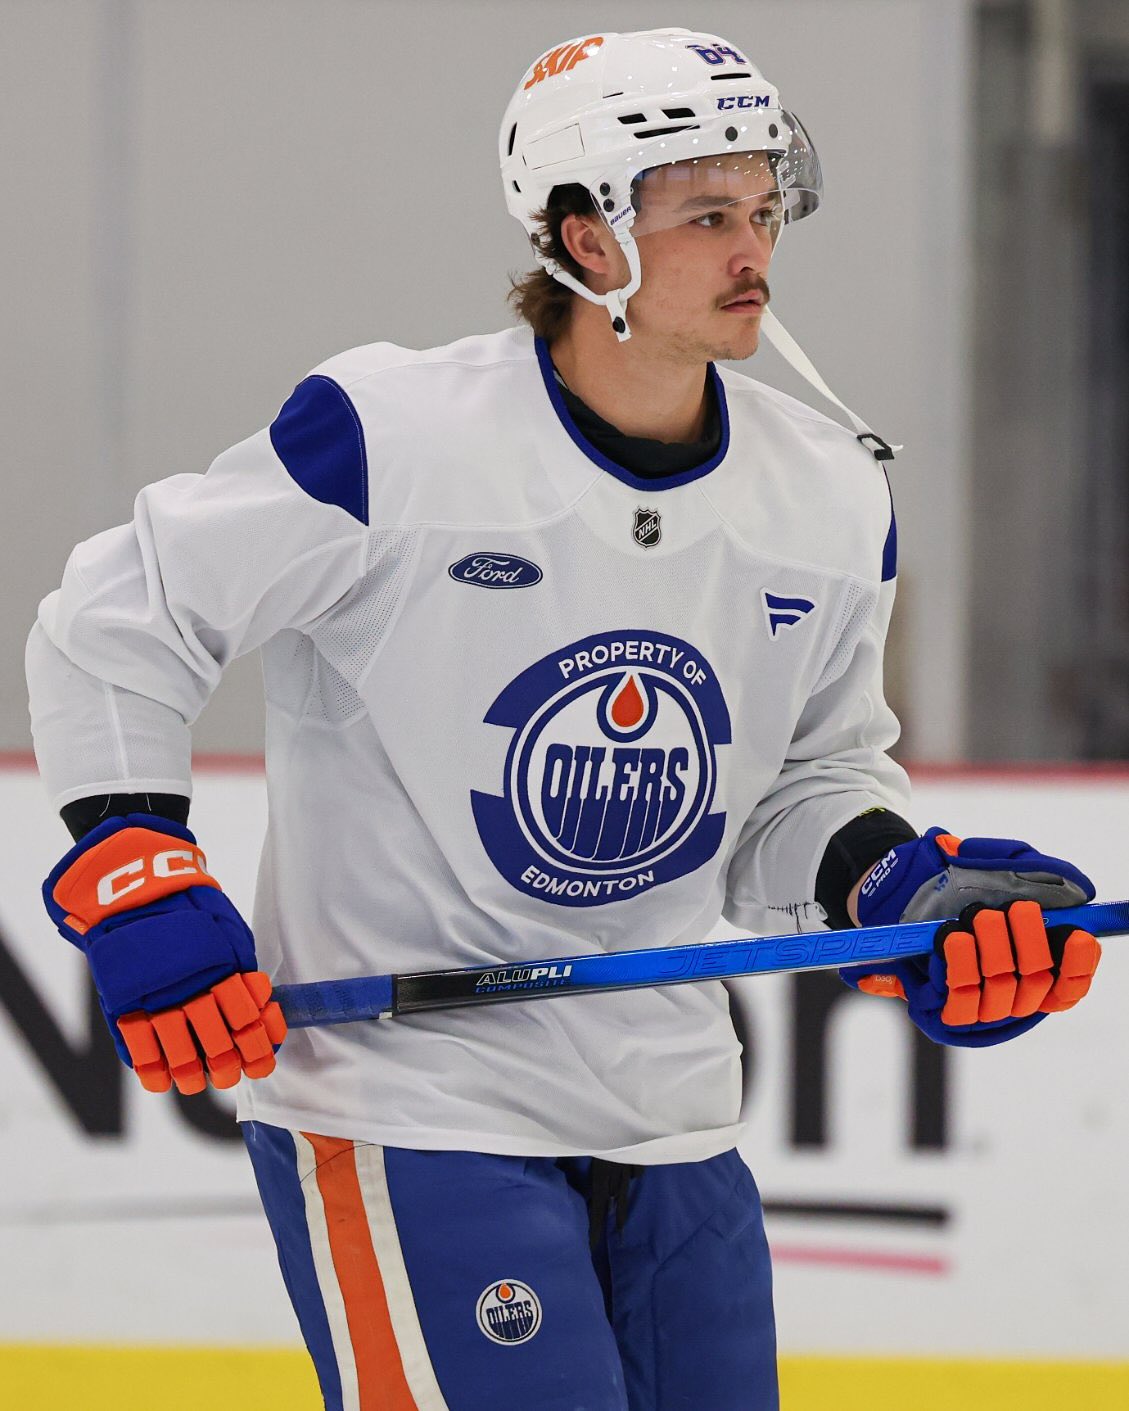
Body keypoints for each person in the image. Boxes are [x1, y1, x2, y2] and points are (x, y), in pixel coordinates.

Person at [27, 27, 1102, 1411]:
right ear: (587, 239)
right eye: (705, 216)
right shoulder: (393, 436)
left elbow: (803, 781)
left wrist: (898, 888)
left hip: (671, 1111)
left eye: (763, 208)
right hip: (406, 1104)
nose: (753, 251)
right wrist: (132, 861)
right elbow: (123, 615)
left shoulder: (830, 491)